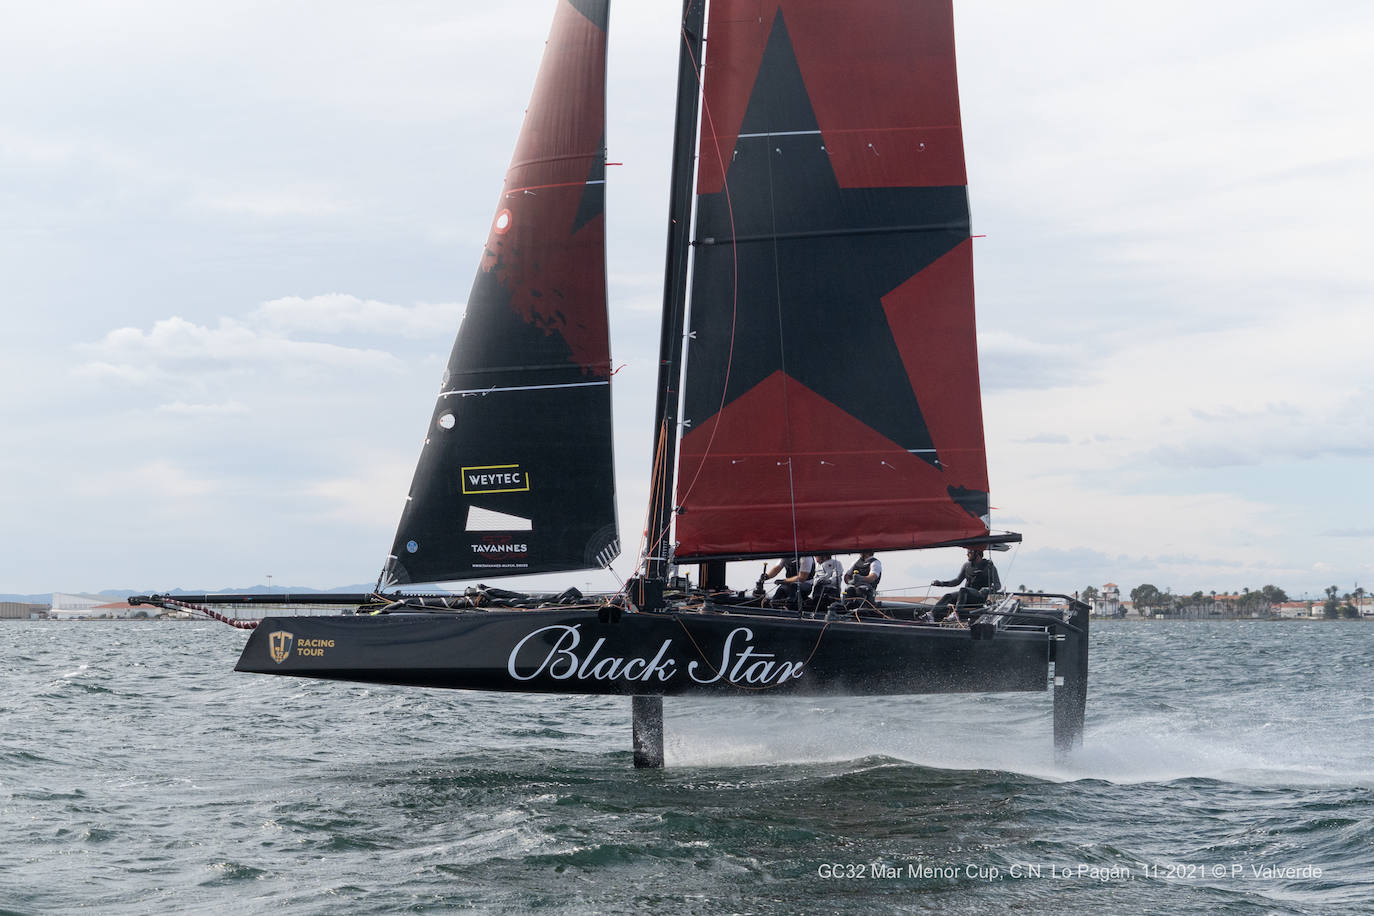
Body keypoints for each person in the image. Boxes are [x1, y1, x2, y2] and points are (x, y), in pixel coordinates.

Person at [931, 546, 1000, 621]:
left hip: (978, 598)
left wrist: (987, 589)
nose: (967, 555)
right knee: (948, 596)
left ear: (977, 553)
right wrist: (941, 583)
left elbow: (998, 585)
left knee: (963, 590)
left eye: (969, 553)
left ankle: (956, 614)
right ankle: (930, 615)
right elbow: (957, 581)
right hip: (965, 596)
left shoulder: (989, 567)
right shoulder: (966, 566)